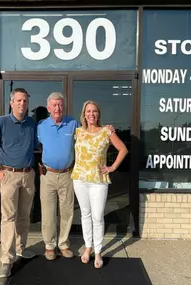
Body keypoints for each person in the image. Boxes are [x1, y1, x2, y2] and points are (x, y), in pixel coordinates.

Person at [37, 93, 115, 261]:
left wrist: (108, 129)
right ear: (49, 107)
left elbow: (91, 132)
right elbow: (34, 146)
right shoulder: (41, 126)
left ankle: (63, 244)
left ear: (63, 107)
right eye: (54, 105)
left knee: (66, 212)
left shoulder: (72, 124)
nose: (57, 108)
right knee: (48, 212)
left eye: (60, 105)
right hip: (48, 174)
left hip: (67, 174)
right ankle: (50, 246)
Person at [0, 88, 37, 278]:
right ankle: (7, 259)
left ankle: (21, 249)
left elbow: (37, 145)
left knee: (24, 215)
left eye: (25, 100)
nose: (22, 103)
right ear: (11, 102)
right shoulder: (2, 122)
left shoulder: (32, 123)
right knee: (8, 218)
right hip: (8, 176)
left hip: (28, 175)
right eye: (18, 100)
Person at [71, 100, 128, 269]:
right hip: (79, 179)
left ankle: (98, 251)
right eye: (88, 111)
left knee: (97, 217)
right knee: (85, 215)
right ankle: (88, 248)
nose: (91, 114)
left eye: (94, 111)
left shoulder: (106, 131)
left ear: (98, 114)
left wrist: (112, 167)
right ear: (84, 114)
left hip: (98, 182)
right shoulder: (77, 132)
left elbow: (123, 149)